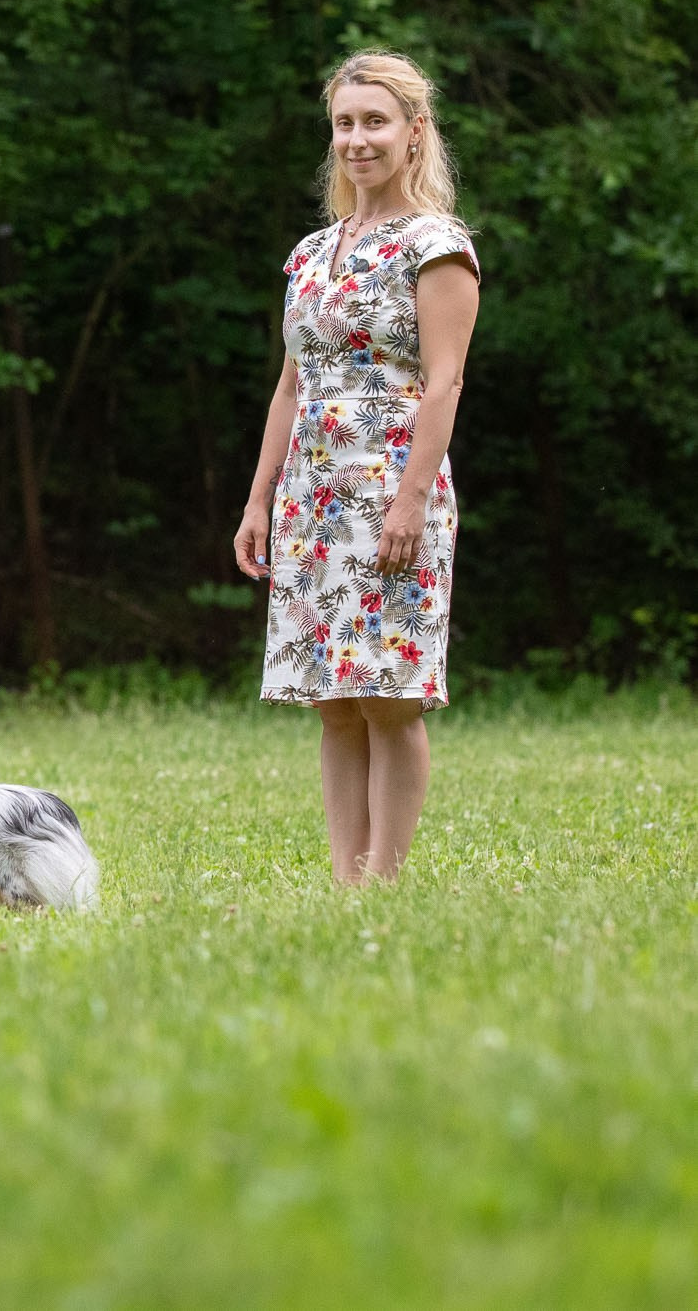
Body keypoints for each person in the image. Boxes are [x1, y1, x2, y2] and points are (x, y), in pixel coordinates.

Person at [235, 50, 481, 884]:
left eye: (375, 121)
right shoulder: (312, 252)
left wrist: (411, 500)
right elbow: (289, 386)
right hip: (312, 496)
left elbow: (445, 382)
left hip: (390, 490)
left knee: (389, 694)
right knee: (334, 701)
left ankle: (386, 882)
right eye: (345, 122)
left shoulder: (436, 246)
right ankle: (348, 882)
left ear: (415, 133)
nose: (357, 138)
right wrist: (259, 498)